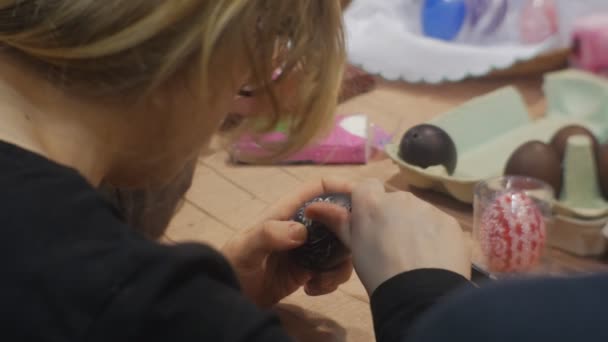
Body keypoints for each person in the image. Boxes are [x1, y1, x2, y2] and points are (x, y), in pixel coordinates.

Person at [0, 1, 474, 341]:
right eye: (246, 85)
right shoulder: (127, 301)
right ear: (215, 43)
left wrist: (210, 293)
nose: (234, 111)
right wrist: (424, 302)